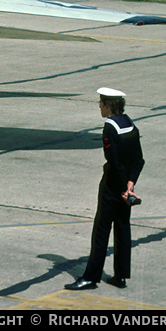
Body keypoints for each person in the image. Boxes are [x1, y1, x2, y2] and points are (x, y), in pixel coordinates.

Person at [66, 88, 145, 291]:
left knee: (101, 231)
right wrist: (130, 185)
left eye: (101, 103)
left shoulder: (110, 127)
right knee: (122, 229)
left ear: (108, 105)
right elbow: (138, 159)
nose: (99, 107)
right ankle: (120, 276)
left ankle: (91, 277)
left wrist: (120, 188)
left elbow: (114, 161)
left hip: (112, 186)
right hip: (126, 185)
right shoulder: (129, 123)